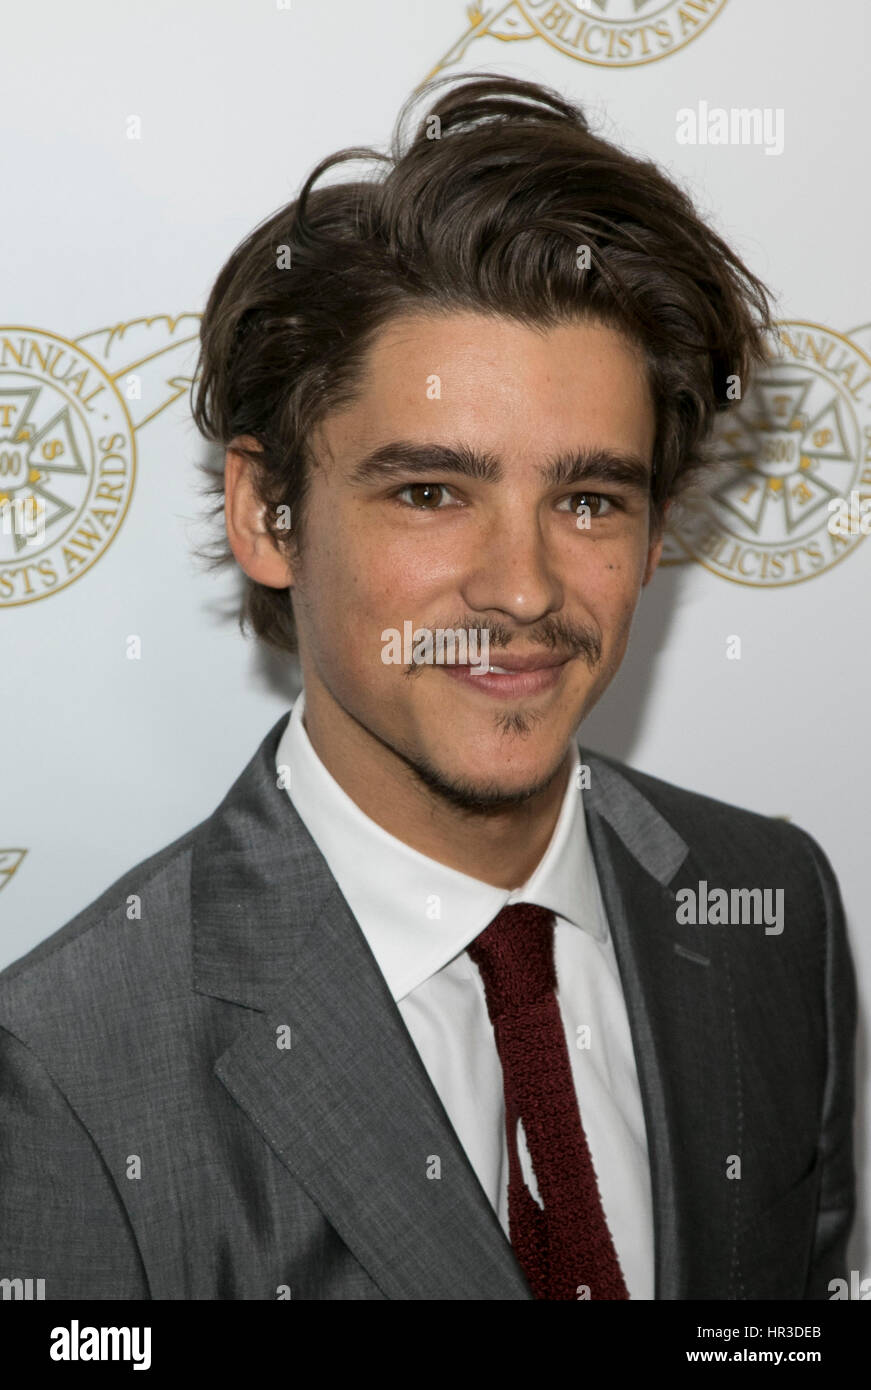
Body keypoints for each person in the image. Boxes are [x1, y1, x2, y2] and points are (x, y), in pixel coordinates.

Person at [0, 73, 856, 1301]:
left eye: (588, 499)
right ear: (266, 513)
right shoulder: (66, 1072)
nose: (522, 586)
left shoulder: (772, 906)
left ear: (655, 532)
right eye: (430, 492)